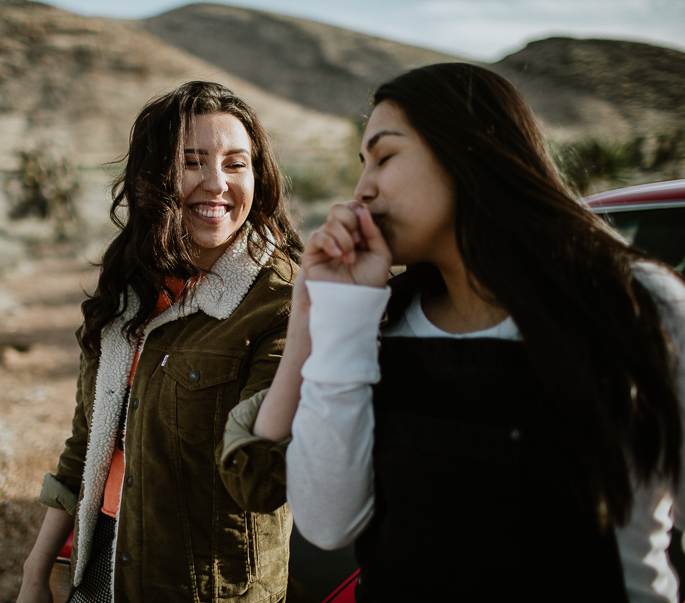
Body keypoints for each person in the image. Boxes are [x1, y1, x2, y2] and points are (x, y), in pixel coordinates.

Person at [220, 63, 685, 602]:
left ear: (470, 148)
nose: (362, 190)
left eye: (385, 157)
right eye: (362, 164)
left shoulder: (635, 302)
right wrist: (340, 309)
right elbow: (327, 524)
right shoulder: (383, 322)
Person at [16, 81, 311, 603]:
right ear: (154, 178)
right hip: (102, 559)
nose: (217, 183)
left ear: (258, 176)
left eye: (236, 164)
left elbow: (267, 477)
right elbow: (88, 446)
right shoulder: (130, 292)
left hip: (202, 588)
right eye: (193, 161)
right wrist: (36, 572)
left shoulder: (283, 306)